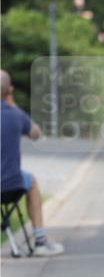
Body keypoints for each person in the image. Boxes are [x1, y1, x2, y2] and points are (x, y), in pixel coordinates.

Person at [0, 69, 64, 256]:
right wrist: (11, 104)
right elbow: (36, 134)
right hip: (13, 185)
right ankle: (40, 240)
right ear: (9, 90)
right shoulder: (16, 115)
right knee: (32, 182)